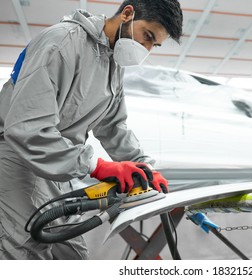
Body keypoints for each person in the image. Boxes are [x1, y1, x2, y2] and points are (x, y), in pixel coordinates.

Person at [0, 0, 183, 259]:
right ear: (127, 14)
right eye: (147, 36)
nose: (147, 49)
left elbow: (113, 126)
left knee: (72, 252)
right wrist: (99, 167)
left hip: (58, 162)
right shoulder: (61, 42)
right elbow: (26, 128)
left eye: (155, 45)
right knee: (25, 249)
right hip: (15, 155)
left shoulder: (112, 63)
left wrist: (144, 167)